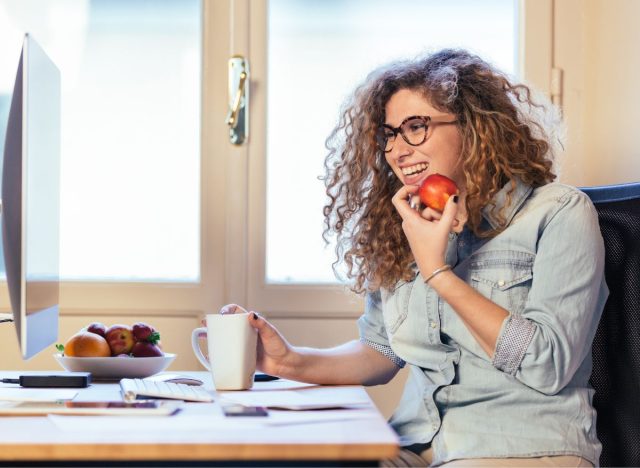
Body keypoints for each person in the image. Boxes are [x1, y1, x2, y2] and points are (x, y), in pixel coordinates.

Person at [222, 49, 608, 467]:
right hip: (415, 445)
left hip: (521, 447)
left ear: (476, 128)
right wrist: (289, 360)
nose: (397, 151)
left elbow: (547, 363)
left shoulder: (558, 213)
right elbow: (381, 351)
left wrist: (439, 273)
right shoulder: (405, 224)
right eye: (389, 134)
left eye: (416, 128)